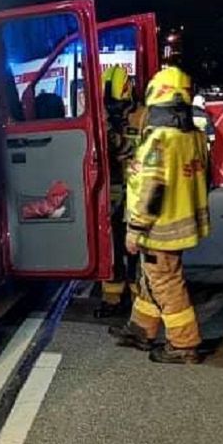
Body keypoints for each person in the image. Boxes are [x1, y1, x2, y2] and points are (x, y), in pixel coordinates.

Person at [107, 60, 214, 364]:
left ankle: (183, 345)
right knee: (151, 277)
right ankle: (141, 330)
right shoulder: (194, 137)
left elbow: (150, 189)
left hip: (159, 228)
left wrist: (136, 229)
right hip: (182, 225)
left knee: (166, 282)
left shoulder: (159, 140)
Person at [97, 65, 136, 317]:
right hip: (110, 191)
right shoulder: (101, 119)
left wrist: (110, 133)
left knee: (134, 251)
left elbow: (132, 153)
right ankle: (112, 299)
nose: (113, 109)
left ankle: (136, 300)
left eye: (117, 104)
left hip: (134, 193)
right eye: (108, 104)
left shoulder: (141, 117)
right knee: (110, 249)